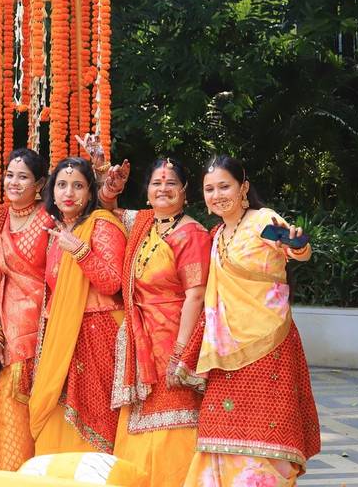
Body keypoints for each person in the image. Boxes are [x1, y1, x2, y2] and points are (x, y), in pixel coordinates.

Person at [182, 155, 320, 486]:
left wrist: (297, 244)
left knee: (268, 433)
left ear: (243, 187)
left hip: (267, 345)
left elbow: (292, 246)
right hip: (225, 352)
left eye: (224, 186)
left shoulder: (262, 221)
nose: (217, 195)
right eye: (209, 189)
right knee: (218, 432)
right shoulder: (216, 235)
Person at [95, 157, 210, 484]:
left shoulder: (192, 233)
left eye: (171, 183)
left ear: (184, 191)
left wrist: (180, 353)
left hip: (174, 340)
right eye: (156, 183)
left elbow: (196, 296)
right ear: (146, 193)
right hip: (139, 344)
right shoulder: (142, 223)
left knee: (174, 421)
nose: (163, 189)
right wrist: (109, 185)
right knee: (138, 423)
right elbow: (107, 210)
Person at [29, 157, 127, 456]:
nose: (68, 192)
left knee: (95, 421)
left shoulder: (102, 225)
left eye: (78, 186)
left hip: (97, 335)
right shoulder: (55, 230)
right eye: (61, 185)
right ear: (52, 191)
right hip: (61, 337)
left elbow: (112, 283)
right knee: (55, 421)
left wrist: (80, 251)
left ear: (89, 192)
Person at [0, 148, 54, 471]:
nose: (14, 182)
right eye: (9, 175)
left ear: (39, 184)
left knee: (17, 416)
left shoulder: (50, 220)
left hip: (32, 334)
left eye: (23, 177)